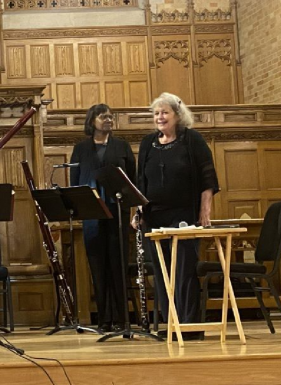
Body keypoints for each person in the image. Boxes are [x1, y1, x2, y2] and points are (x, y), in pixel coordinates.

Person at [132, 92, 218, 341]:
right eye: (156, 113)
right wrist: (137, 212)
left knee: (184, 271)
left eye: (164, 112)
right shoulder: (148, 143)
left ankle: (189, 328)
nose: (160, 117)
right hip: (154, 218)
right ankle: (170, 324)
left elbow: (208, 178)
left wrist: (205, 210)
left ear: (177, 115)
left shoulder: (193, 140)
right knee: (161, 272)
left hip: (184, 215)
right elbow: (140, 183)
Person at [70, 103, 135, 332]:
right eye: (102, 116)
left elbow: (132, 181)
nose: (108, 119)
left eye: (110, 116)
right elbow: (75, 181)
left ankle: (122, 318)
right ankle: (104, 319)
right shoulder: (81, 149)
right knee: (97, 266)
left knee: (118, 264)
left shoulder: (122, 146)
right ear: (92, 121)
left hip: (117, 212)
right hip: (92, 215)